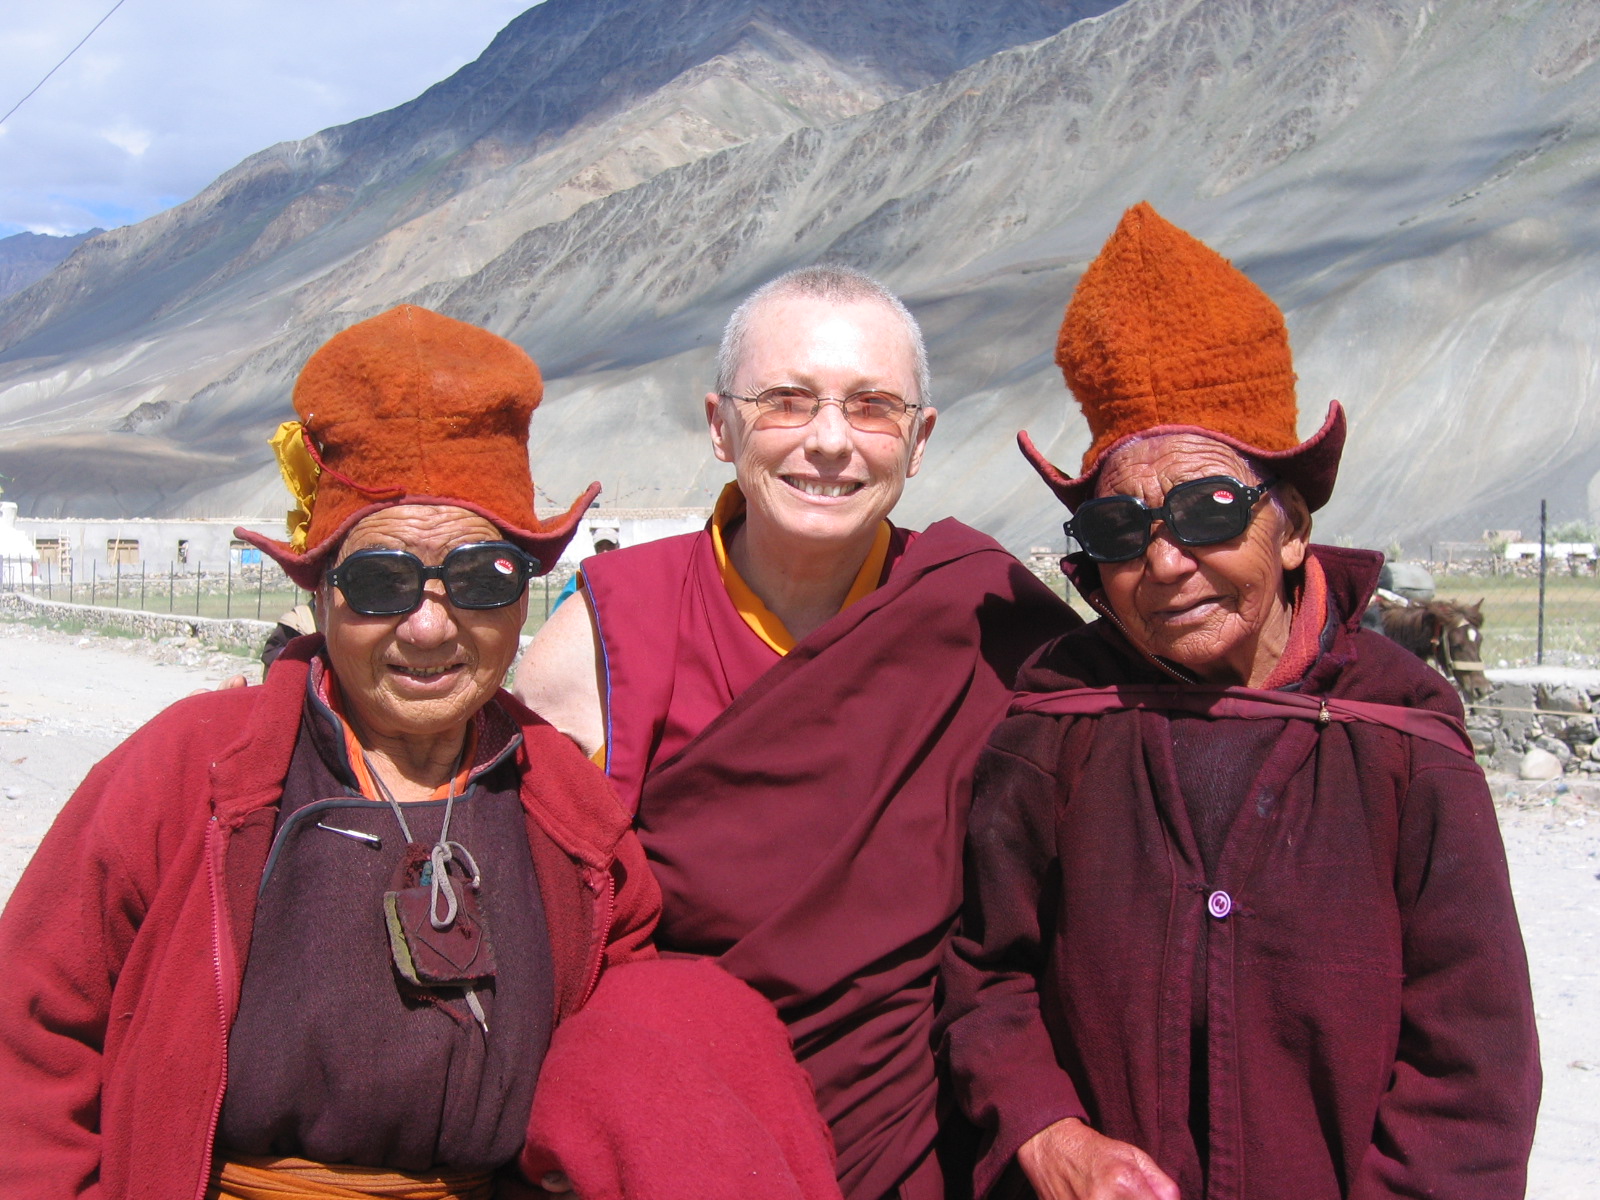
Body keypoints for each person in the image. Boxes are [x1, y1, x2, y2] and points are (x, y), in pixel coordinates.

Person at [0, 305, 838, 1200]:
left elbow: (623, 1058)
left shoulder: (566, 809)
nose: (431, 623)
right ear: (320, 590)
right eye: (380, 580)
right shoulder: (191, 774)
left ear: (525, 595)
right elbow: (30, 1040)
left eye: (481, 577)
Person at [936, 203, 1540, 1200]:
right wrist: (1048, 1133)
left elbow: (1470, 1065)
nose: (1167, 563)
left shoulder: (1401, 736)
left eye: (1208, 510)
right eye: (1121, 528)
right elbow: (983, 976)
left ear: (1291, 525)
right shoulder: (1054, 726)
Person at [516, 267, 1078, 1200]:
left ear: (920, 438)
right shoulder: (608, 638)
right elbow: (540, 947)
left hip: (924, 1149)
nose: (829, 443)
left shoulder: (986, 622)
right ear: (718, 425)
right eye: (785, 402)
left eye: (872, 407)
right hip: (680, 1152)